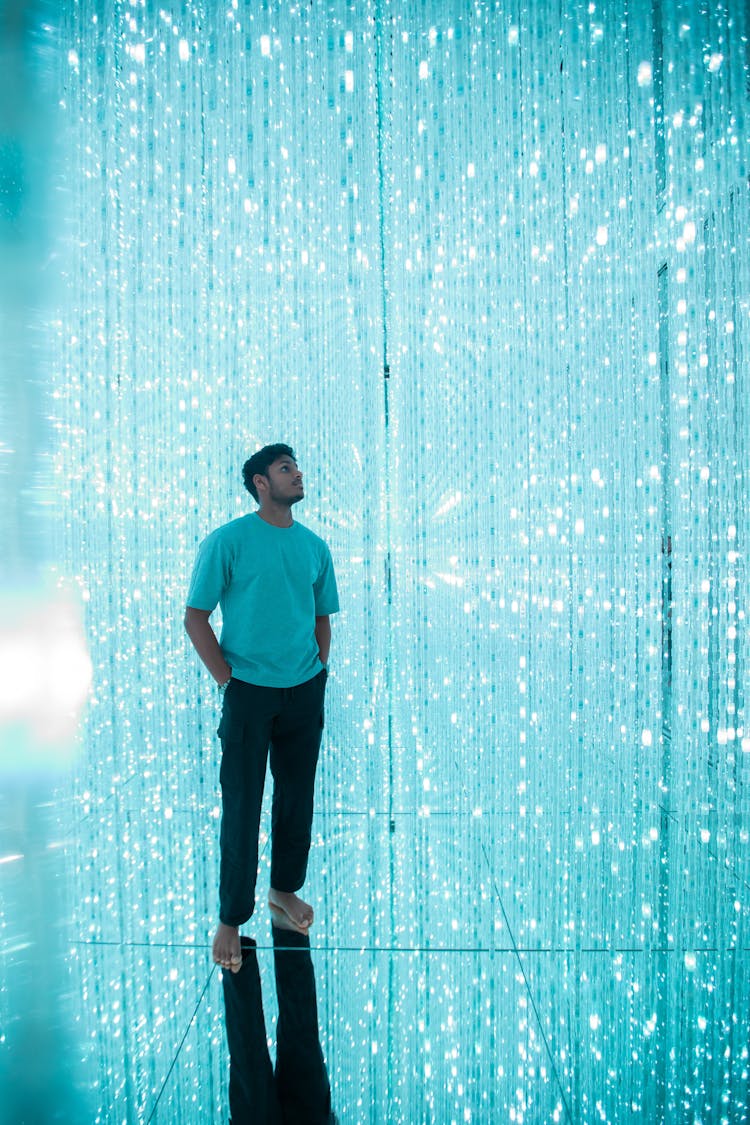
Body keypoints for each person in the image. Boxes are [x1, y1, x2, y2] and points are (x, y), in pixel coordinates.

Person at [184, 444, 339, 972]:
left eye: (297, 466)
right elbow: (195, 618)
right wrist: (229, 681)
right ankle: (231, 918)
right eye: (285, 469)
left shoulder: (315, 547)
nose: (297, 474)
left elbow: (322, 616)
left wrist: (318, 668)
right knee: (243, 805)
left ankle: (284, 891)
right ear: (259, 483)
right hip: (248, 692)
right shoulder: (228, 541)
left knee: (297, 798)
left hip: (304, 689)